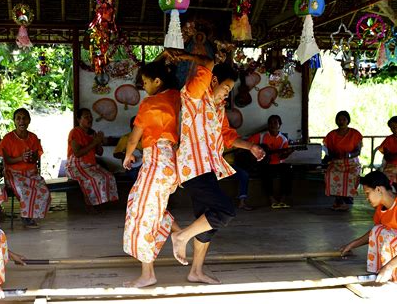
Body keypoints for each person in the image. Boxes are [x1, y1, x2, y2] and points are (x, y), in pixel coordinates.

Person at [165, 49, 265, 284]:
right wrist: (185, 56)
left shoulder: (218, 110)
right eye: (226, 89)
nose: (226, 95)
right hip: (192, 168)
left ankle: (195, 271)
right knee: (225, 211)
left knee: (207, 221)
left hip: (208, 168)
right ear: (214, 81)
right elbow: (209, 61)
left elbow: (228, 136)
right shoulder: (194, 95)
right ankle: (181, 237)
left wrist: (249, 146)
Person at [122, 59, 182, 287]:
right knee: (151, 208)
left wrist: (128, 156)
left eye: (146, 81)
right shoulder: (175, 96)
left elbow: (134, 137)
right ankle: (179, 234)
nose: (144, 86)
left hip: (156, 161)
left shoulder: (149, 103)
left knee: (140, 213)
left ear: (158, 81)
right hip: (169, 163)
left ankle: (148, 273)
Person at [340, 171, 397, 283]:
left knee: (385, 233)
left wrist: (389, 266)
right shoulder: (381, 208)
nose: (366, 198)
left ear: (379, 189)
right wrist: (353, 244)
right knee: (378, 230)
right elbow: (374, 233)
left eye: (367, 193)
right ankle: (391, 268)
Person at [0, 108, 52, 229]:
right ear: (14, 121)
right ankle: (26, 217)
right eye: (18, 118)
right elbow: (7, 160)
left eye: (24, 118)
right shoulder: (8, 138)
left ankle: (32, 214)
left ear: (29, 120)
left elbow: (35, 158)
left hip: (31, 173)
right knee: (25, 190)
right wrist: (21, 158)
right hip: (13, 174)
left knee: (44, 191)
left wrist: (30, 158)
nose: (22, 121)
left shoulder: (33, 137)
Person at [65, 108, 118, 212]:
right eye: (86, 117)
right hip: (76, 166)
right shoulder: (74, 132)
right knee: (94, 179)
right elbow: (78, 153)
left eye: (90, 117)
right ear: (79, 119)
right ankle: (91, 205)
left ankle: (103, 203)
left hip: (91, 165)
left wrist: (98, 141)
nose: (90, 119)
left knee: (109, 176)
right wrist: (94, 142)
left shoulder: (93, 133)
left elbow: (100, 152)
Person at [248, 115, 294, 209]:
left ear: (279, 125)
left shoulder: (283, 139)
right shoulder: (261, 136)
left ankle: (282, 200)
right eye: (270, 123)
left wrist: (288, 153)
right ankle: (272, 199)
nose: (272, 125)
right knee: (265, 174)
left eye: (275, 123)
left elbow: (282, 156)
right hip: (264, 164)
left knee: (288, 172)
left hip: (278, 164)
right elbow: (248, 144)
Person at [323, 111, 363, 211]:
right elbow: (328, 151)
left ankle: (347, 198)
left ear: (348, 121)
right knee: (330, 174)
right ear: (336, 121)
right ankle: (339, 200)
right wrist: (334, 155)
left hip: (351, 163)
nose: (341, 121)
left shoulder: (355, 133)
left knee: (352, 175)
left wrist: (349, 155)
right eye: (339, 119)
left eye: (344, 119)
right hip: (337, 163)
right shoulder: (331, 135)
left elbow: (358, 151)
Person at [113, 116, 143, 181]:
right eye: (134, 125)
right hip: (132, 167)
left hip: (144, 164)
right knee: (139, 179)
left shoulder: (146, 138)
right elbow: (116, 154)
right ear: (131, 126)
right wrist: (127, 155)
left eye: (139, 125)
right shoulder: (126, 138)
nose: (136, 128)